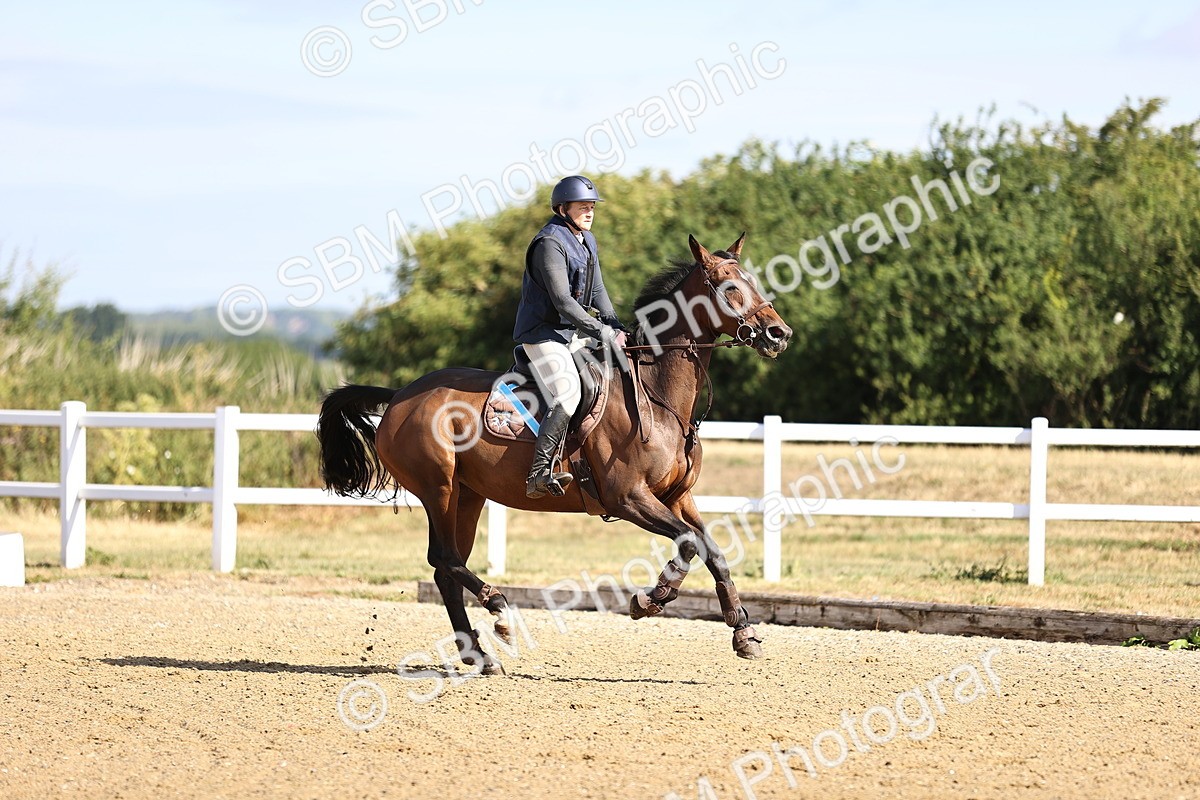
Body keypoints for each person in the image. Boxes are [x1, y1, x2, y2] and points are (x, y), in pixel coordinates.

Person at [513, 175, 629, 499]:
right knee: (568, 392)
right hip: (542, 335)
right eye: (583, 207)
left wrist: (615, 324)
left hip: (570, 333)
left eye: (592, 207)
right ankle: (538, 473)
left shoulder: (586, 240)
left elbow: (597, 290)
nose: (590, 213)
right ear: (563, 208)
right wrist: (602, 331)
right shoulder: (549, 243)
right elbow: (563, 301)